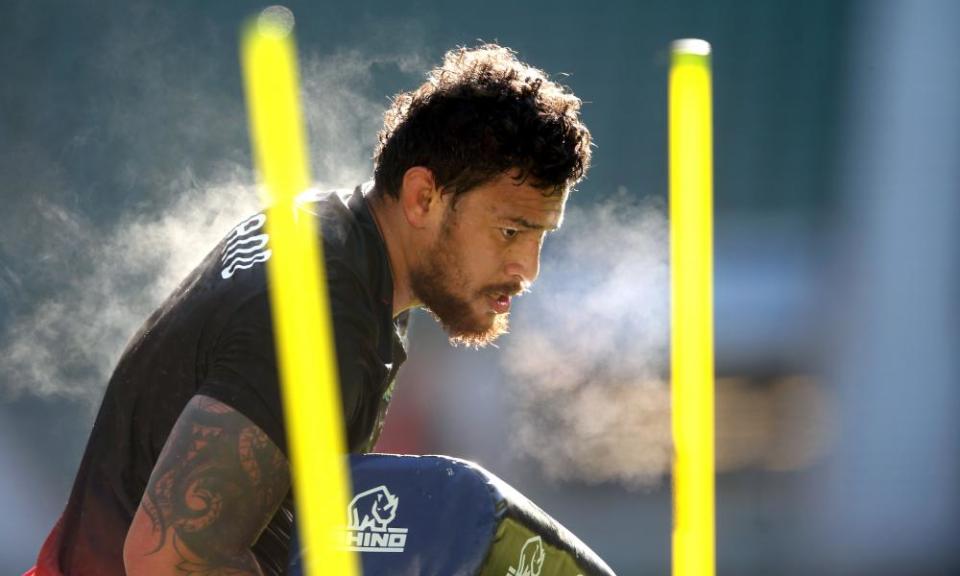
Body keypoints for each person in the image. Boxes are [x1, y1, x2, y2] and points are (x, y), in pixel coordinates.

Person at [29, 43, 591, 575]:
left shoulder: (337, 242)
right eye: (511, 231)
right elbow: (172, 558)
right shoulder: (323, 310)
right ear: (423, 197)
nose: (529, 268)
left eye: (541, 237)